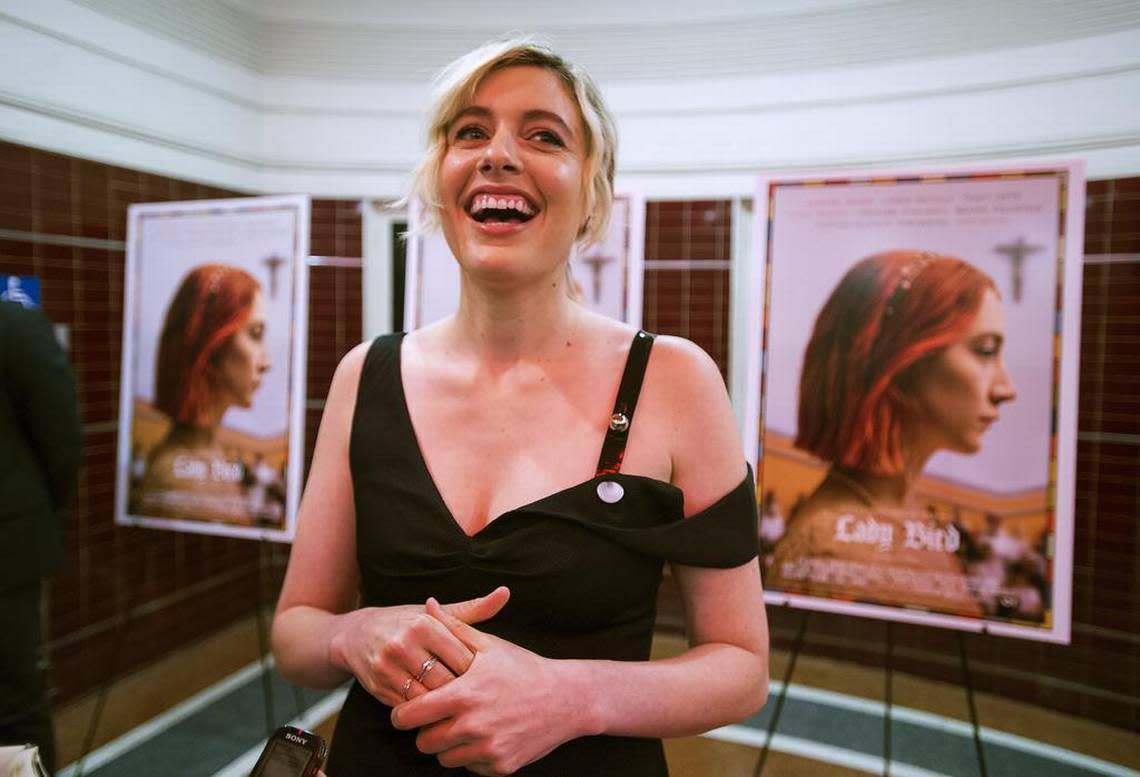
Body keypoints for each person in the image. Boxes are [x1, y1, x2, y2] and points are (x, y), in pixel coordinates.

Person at [272, 38, 769, 776]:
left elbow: (740, 666)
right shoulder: (365, 375)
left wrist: (574, 695)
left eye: (544, 135)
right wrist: (356, 636)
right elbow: (295, 631)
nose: (498, 154)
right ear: (440, 183)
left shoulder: (672, 379)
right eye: (469, 131)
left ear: (592, 195)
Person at [767, 250, 1017, 616]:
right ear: (900, 358)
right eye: (984, 351)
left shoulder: (906, 513)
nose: (1006, 388)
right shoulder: (830, 545)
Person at [0, 301, 82, 774]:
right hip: (11, 542)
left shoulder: (15, 326)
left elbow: (61, 440)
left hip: (5, 561)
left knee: (13, 708)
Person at [132, 263, 271, 525]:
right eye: (254, 335)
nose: (266, 362)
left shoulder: (213, 455)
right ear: (212, 346)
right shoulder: (172, 479)